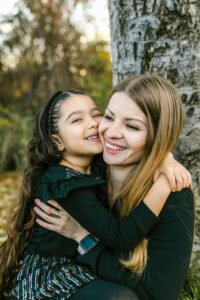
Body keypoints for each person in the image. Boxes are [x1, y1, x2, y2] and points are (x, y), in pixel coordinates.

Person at [33, 75, 194, 300]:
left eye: (132, 126)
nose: (110, 132)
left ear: (156, 137)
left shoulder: (173, 195)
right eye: (109, 117)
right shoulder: (87, 169)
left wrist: (83, 238)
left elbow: (157, 296)